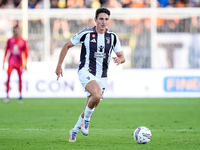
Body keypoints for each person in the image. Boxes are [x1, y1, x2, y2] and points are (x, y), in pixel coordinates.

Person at [55, 7, 125, 142]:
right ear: (95, 20)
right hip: (86, 71)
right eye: (101, 19)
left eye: (106, 19)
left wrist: (119, 59)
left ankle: (74, 130)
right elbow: (66, 45)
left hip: (102, 76)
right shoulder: (86, 34)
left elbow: (123, 57)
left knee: (91, 104)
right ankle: (86, 121)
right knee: (97, 94)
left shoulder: (113, 37)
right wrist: (59, 65)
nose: (103, 22)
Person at [3, 25, 28, 103]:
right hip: (11, 62)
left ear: (19, 31)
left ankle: (20, 96)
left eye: (18, 30)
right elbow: (6, 51)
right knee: (8, 78)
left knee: (20, 79)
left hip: (19, 63)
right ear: (13, 31)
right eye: (15, 30)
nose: (16, 31)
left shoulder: (23, 41)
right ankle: (7, 96)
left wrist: (25, 64)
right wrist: (3, 62)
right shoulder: (10, 40)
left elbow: (26, 53)